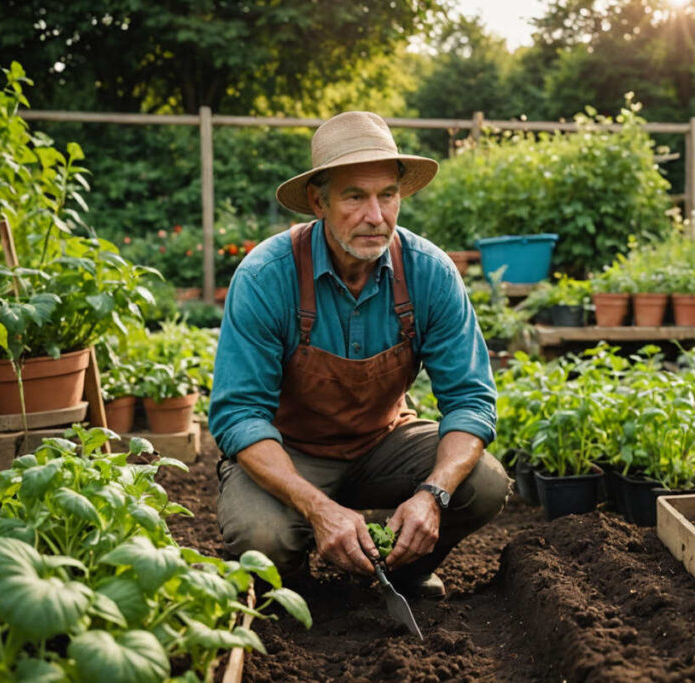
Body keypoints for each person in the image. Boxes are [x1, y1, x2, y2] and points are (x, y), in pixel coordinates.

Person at [209, 111, 510, 599]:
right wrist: (319, 508)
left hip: (383, 445)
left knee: (483, 483)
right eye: (355, 196)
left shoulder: (429, 273)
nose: (376, 216)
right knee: (261, 538)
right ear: (318, 201)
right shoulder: (267, 275)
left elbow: (471, 401)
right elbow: (239, 414)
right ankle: (296, 581)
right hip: (291, 453)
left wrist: (431, 496)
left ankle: (405, 565)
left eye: (387, 195)